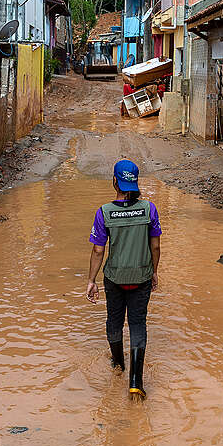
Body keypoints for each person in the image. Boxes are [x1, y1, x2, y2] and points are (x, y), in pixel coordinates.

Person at [85, 160, 161, 399]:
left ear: (115, 181)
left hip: (114, 278)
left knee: (114, 321)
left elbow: (98, 250)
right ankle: (136, 383)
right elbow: (155, 245)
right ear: (135, 183)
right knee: (138, 324)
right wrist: (154, 271)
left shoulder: (104, 212)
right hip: (141, 277)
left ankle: (118, 365)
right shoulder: (149, 210)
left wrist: (91, 280)